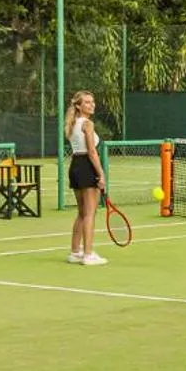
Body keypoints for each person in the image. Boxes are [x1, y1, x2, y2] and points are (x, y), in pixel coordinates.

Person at [65, 90, 107, 266]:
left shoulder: (72, 123)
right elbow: (92, 151)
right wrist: (101, 174)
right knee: (90, 213)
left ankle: (75, 252)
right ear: (78, 106)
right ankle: (88, 254)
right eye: (87, 102)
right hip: (86, 166)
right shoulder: (87, 124)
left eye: (93, 101)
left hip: (75, 166)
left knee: (82, 212)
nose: (92, 105)